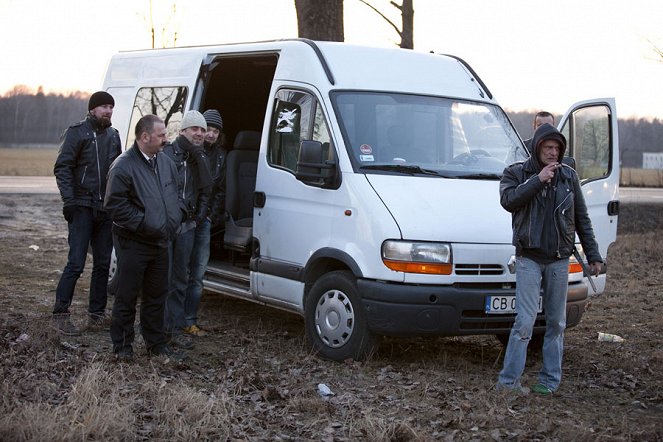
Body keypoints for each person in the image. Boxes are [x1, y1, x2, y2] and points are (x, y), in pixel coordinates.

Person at [497, 123, 603, 395]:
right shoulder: (516, 172)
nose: (553, 153)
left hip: (558, 259)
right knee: (525, 321)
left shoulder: (569, 177)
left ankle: (549, 381)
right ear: (537, 148)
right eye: (548, 148)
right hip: (528, 259)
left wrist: (593, 255)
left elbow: (582, 219)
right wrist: (538, 179)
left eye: (557, 148)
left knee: (556, 323)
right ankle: (508, 383)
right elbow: (508, 200)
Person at [104, 114, 185, 362]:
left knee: (156, 295)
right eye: (161, 135)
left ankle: (155, 343)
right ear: (144, 137)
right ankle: (123, 347)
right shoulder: (123, 166)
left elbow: (176, 194)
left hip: (161, 242)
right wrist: (145, 223)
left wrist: (177, 215)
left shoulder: (166, 162)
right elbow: (115, 205)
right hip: (134, 243)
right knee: (127, 296)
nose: (166, 139)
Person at [52, 91, 122, 335]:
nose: (109, 111)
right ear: (93, 109)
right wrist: (69, 201)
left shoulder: (114, 136)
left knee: (103, 264)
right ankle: (60, 315)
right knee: (76, 264)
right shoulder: (77, 132)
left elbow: (118, 172)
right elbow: (62, 167)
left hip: (105, 211)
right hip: (81, 206)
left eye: (111, 107)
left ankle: (97, 315)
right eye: (104, 106)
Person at [163, 110, 213, 348]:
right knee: (164, 275)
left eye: (203, 130)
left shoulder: (198, 157)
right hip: (166, 226)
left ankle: (175, 326)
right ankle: (161, 327)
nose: (200, 133)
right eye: (195, 129)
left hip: (187, 227)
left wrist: (199, 216)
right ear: (183, 130)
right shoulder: (168, 154)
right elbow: (163, 190)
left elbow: (205, 189)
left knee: (181, 277)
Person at [181, 109, 228, 337]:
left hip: (204, 222)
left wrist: (211, 215)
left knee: (198, 274)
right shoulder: (189, 153)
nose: (210, 134)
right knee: (180, 271)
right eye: (207, 129)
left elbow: (219, 191)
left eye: (215, 131)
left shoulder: (221, 157)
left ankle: (190, 320)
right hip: (186, 221)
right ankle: (172, 320)